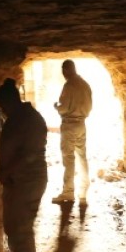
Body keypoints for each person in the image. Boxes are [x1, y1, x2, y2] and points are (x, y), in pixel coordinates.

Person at [0, 78, 48, 252]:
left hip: (28, 181)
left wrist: (7, 170)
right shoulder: (16, 118)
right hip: (16, 181)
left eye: (2, 105)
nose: (1, 109)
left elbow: (30, 154)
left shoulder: (31, 120)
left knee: (22, 228)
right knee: (12, 226)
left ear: (9, 101)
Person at [51, 59, 93, 205]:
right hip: (81, 124)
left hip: (69, 125)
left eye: (63, 70)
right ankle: (83, 193)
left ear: (66, 70)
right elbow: (89, 106)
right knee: (82, 157)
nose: (63, 74)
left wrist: (56, 106)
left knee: (69, 159)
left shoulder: (69, 85)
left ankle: (68, 193)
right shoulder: (85, 84)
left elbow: (64, 108)